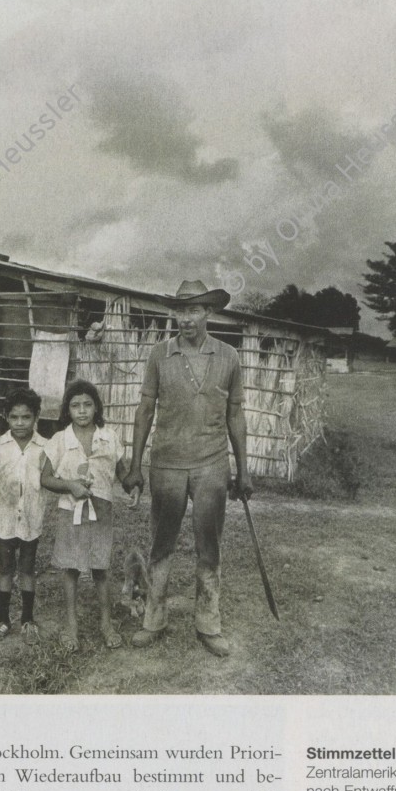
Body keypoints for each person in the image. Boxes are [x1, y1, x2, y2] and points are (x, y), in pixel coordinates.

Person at [124, 279, 252, 659]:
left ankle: (208, 624)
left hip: (212, 463)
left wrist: (243, 470)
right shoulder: (159, 355)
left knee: (207, 544)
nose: (186, 318)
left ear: (208, 312)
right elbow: (145, 409)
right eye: (180, 310)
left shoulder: (228, 356)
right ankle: (154, 619)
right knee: (161, 544)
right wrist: (135, 465)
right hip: (166, 464)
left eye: (194, 310)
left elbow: (236, 414)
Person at [40, 378, 133, 652]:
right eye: (75, 405)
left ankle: (106, 623)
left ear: (96, 408)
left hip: (102, 511)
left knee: (101, 567)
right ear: (67, 410)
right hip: (71, 512)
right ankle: (71, 625)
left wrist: (132, 486)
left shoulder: (109, 437)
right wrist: (69, 485)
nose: (82, 411)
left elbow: (121, 471)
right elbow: (45, 478)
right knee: (71, 567)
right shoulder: (59, 440)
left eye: (87, 405)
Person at [0, 387, 47, 639]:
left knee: (28, 568)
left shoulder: (45, 448)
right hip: (4, 519)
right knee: (6, 567)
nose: (20, 423)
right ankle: (3, 620)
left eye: (26, 417)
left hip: (31, 518)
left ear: (36, 417)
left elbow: (52, 478)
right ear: (6, 417)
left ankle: (28, 620)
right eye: (14, 417)